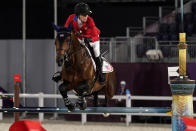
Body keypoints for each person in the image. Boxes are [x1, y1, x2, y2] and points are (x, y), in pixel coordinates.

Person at [52, 2, 106, 84]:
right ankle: (62, 73)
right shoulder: (71, 18)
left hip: (93, 39)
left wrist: (89, 38)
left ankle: (100, 74)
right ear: (78, 15)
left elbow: (95, 35)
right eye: (84, 15)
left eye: (87, 14)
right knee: (69, 50)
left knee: (96, 53)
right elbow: (67, 30)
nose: (86, 16)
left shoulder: (90, 21)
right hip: (79, 38)